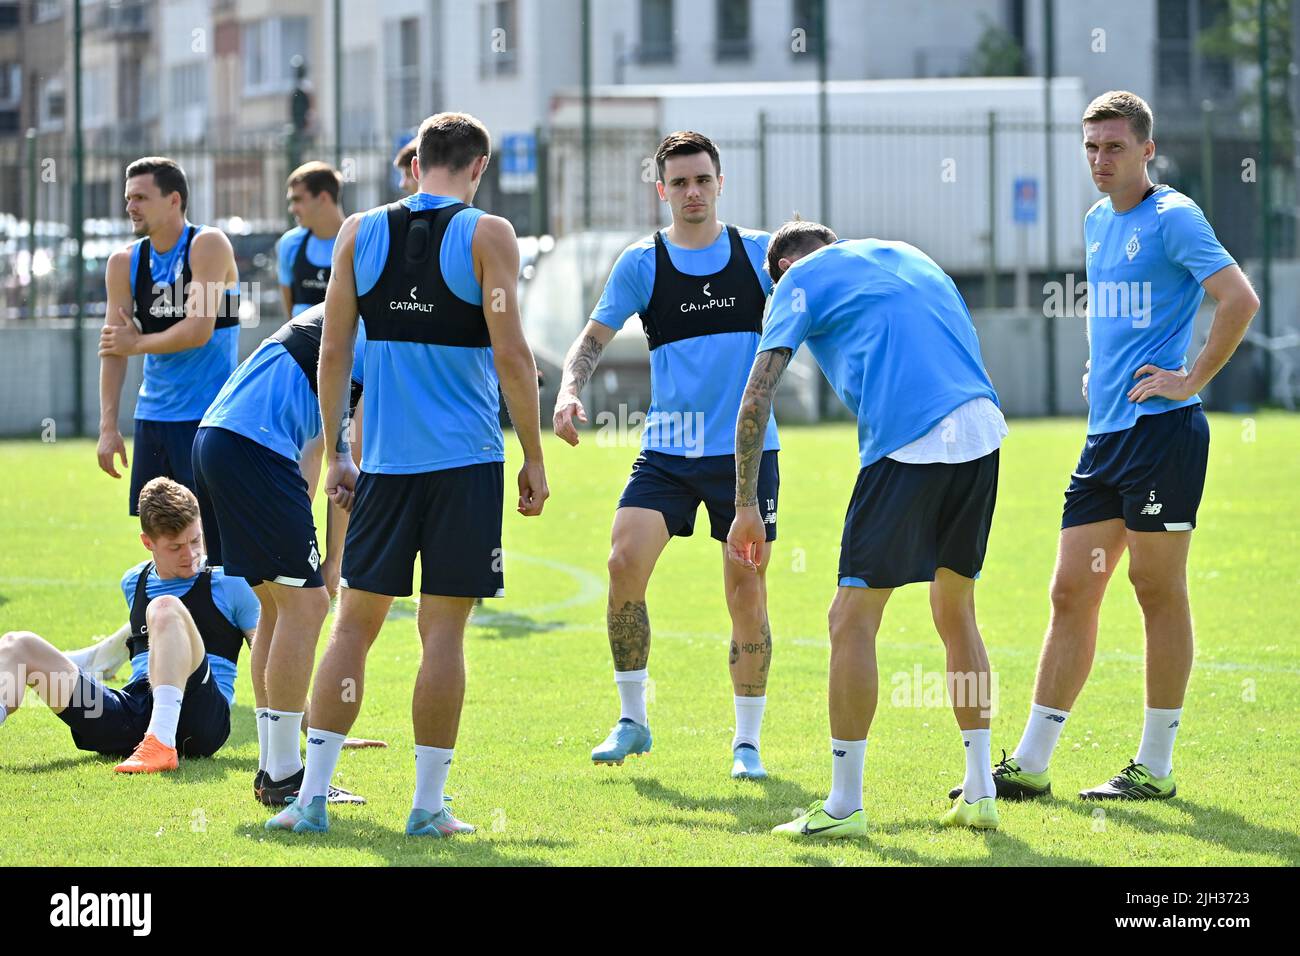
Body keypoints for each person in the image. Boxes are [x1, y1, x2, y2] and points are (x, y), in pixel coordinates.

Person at [959, 91, 1258, 803]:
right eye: (1091, 146)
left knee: (1154, 590)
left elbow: (1238, 298)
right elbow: (1125, 315)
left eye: (1114, 146)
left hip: (1163, 435)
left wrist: (1188, 381)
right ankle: (1031, 763)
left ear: (1146, 150)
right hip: (1106, 439)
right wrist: (1106, 370)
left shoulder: (1174, 217)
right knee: (1070, 590)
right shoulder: (1097, 220)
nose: (1100, 159)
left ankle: (1155, 766)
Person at [267, 111, 548, 837]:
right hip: (465, 467)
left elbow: (332, 352)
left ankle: (313, 800)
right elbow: (514, 357)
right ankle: (426, 807)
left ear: (416, 160)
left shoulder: (358, 232)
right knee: (442, 635)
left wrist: (336, 451)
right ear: (479, 168)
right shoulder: (489, 235)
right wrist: (535, 456)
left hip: (384, 467)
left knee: (352, 627)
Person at [728, 219, 1008, 835]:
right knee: (956, 611)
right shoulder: (906, 249)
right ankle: (982, 789)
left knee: (850, 619)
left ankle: (844, 806)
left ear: (782, 271)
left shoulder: (794, 282)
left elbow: (757, 395)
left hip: (908, 440)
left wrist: (746, 502)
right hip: (984, 427)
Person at [553, 131, 779, 780]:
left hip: (747, 455)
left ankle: (747, 743)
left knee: (745, 589)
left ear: (720, 182)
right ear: (662, 190)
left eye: (703, 180)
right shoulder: (641, 263)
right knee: (622, 562)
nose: (693, 192)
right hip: (668, 452)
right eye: (678, 183)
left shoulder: (761, 255)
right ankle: (632, 719)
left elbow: (829, 274)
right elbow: (590, 341)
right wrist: (569, 391)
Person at [194, 301, 374, 805]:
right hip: (253, 446)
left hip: (218, 440)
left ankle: (273, 771)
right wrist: (330, 564)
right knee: (305, 606)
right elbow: (350, 458)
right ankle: (287, 778)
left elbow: (320, 453)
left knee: (275, 608)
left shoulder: (340, 316)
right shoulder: (375, 328)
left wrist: (329, 559)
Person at [0, 479, 255, 773]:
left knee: (163, 607)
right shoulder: (135, 581)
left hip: (201, 720)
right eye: (175, 546)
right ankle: (152, 739)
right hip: (134, 716)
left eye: (195, 540)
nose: (190, 554)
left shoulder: (230, 583)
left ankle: (160, 744)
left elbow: (269, 659)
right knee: (16, 645)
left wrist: (296, 735)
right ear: (148, 543)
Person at [97, 156, 241, 514]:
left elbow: (198, 329)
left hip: (210, 418)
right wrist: (108, 427)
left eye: (141, 198)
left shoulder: (208, 245)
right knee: (160, 536)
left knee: (211, 537)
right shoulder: (122, 262)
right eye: (128, 198)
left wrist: (137, 344)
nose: (130, 207)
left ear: (174, 200)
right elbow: (114, 348)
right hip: (153, 418)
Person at [278, 162, 346, 319]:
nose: (292, 209)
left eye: (297, 200)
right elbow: (290, 316)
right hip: (304, 343)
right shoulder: (289, 244)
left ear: (323, 198)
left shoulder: (358, 241)